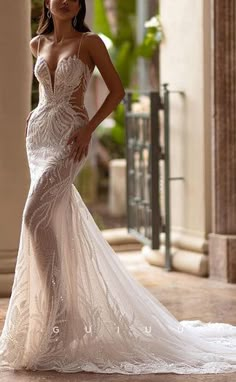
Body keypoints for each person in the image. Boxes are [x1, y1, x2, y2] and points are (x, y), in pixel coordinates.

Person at [1, 0, 236, 376]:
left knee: (34, 218)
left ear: (78, 4)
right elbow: (47, 90)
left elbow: (116, 91)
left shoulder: (89, 42)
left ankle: (62, 312)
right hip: (39, 138)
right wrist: (38, 110)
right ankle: (54, 313)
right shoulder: (36, 43)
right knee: (50, 222)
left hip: (70, 138)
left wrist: (88, 128)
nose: (65, 1)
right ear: (46, 1)